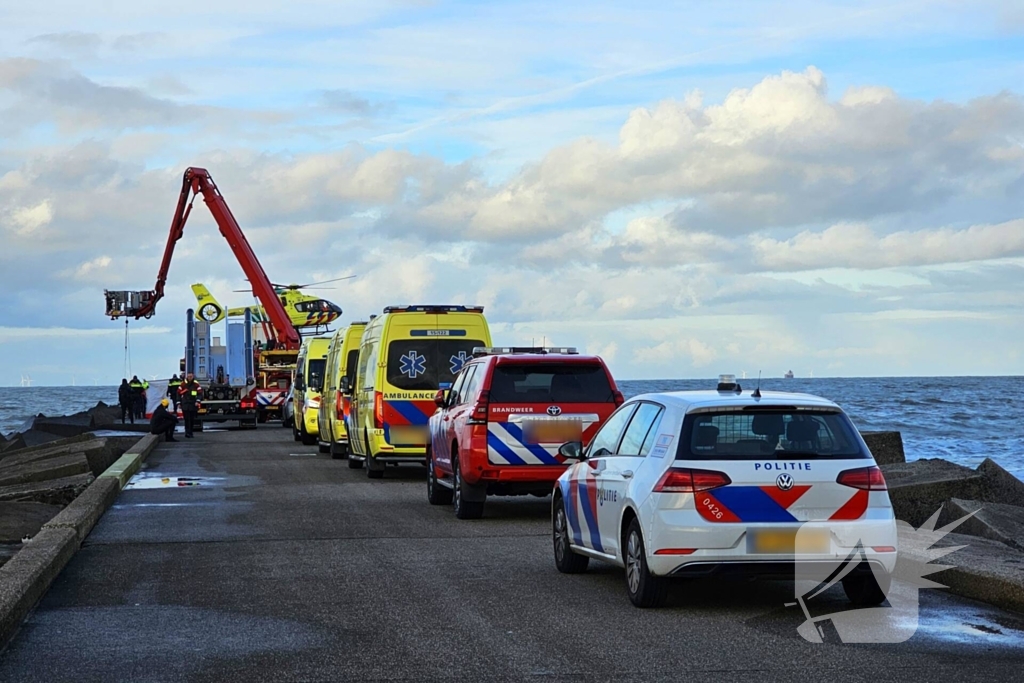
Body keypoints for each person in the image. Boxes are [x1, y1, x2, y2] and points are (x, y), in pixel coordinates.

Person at [178, 372, 204, 438]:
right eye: (189, 376)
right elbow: (178, 393)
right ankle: (187, 433)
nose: (189, 378)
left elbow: (200, 393)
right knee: (186, 419)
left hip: (193, 404)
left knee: (192, 419)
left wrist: (198, 401)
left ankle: (191, 432)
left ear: (193, 376)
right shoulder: (183, 384)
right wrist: (179, 403)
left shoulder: (196, 384)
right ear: (187, 376)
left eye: (191, 376)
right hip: (185, 404)